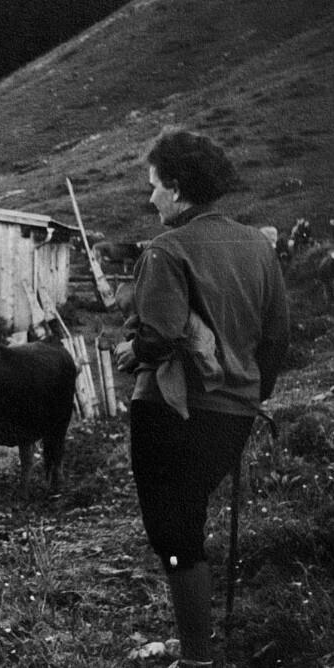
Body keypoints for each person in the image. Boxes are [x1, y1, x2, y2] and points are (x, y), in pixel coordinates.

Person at [113, 131, 289, 667]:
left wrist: (133, 350)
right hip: (234, 415)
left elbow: (160, 336)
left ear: (176, 186)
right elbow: (276, 337)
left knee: (173, 532)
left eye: (154, 186)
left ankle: (195, 657)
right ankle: (196, 647)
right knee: (186, 522)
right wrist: (250, 395)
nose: (151, 199)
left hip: (170, 412)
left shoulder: (167, 249)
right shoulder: (258, 246)